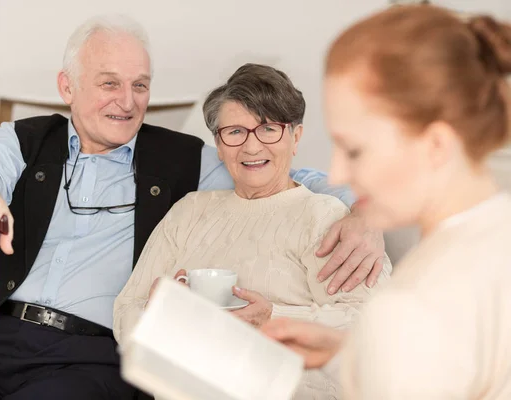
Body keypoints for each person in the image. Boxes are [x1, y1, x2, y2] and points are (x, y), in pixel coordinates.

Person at [0, 15, 385, 400]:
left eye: (140, 85)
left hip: (89, 355)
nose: (127, 101)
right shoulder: (23, 139)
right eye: (109, 83)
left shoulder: (186, 160)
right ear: (68, 86)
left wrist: (364, 210)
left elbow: (274, 173)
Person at [262, 5, 511, 399]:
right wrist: (356, 354)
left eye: (355, 151)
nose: (339, 175)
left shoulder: (411, 307)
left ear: (436, 145)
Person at [113, 63, 392, 399]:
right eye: (234, 132)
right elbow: (125, 309)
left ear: (295, 137)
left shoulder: (325, 218)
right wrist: (161, 312)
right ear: (218, 144)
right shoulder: (189, 211)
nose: (251, 147)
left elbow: (374, 327)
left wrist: (273, 317)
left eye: (268, 129)